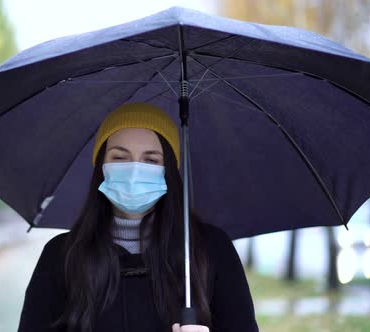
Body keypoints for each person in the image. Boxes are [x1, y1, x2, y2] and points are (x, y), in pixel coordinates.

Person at [17, 102, 258, 332]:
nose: (134, 171)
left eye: (151, 160)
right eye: (120, 157)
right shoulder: (60, 256)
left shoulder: (210, 249)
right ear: (101, 166)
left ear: (169, 171)